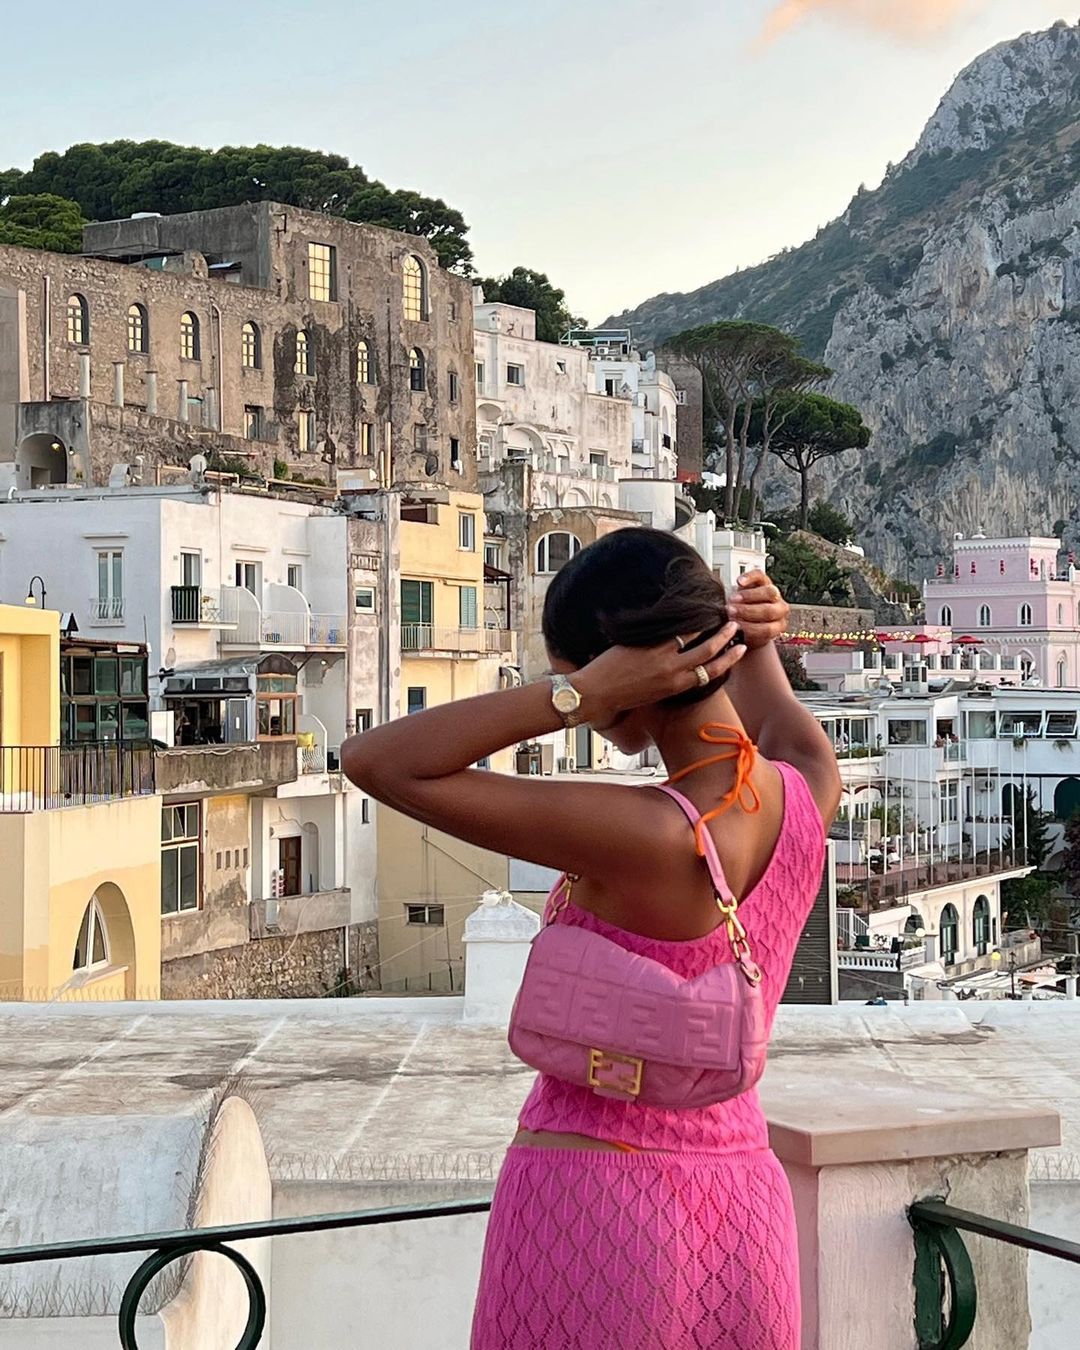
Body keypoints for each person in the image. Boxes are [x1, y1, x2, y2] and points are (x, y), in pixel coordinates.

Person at [342, 529, 841, 1350]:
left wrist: (568, 700)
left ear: (625, 672)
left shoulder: (642, 833)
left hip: (601, 1201)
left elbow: (378, 762)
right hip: (745, 1205)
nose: (576, 689)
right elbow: (784, 734)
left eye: (577, 671)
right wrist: (754, 646)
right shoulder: (803, 794)